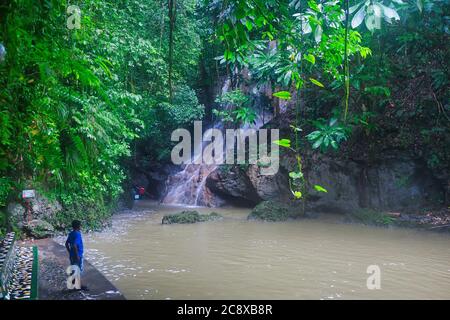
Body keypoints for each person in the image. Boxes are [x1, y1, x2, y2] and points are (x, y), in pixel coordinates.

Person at [65, 220, 87, 290]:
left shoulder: (71, 233)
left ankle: (73, 285)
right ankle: (78, 286)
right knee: (78, 270)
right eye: (80, 225)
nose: (81, 226)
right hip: (78, 255)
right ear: (78, 226)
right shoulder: (77, 234)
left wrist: (69, 251)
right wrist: (77, 255)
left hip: (72, 255)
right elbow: (74, 245)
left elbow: (66, 243)